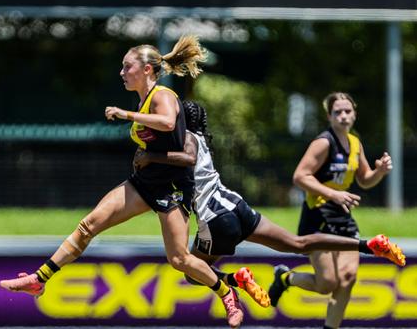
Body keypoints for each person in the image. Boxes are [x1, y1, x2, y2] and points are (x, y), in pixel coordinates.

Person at [0, 36, 250, 328]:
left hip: (172, 189)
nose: (121, 72)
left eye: (126, 66)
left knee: (179, 259)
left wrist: (126, 114)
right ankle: (39, 279)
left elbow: (168, 123)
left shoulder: (162, 95)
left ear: (146, 69)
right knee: (88, 225)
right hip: (143, 184)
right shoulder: (144, 99)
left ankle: (227, 292)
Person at [133, 100, 405, 319]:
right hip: (237, 205)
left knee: (191, 272)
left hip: (217, 221)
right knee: (298, 244)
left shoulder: (184, 141)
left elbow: (181, 162)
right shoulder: (201, 138)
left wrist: (148, 156)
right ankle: (367, 245)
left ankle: (234, 279)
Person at [267, 92, 403, 329]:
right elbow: (300, 177)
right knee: (327, 283)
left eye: (347, 111)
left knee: (348, 278)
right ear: (329, 116)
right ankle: (286, 278)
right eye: (337, 112)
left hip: (343, 217)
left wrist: (379, 171)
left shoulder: (354, 143)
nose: (343, 116)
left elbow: (364, 180)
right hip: (317, 216)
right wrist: (333, 194)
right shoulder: (323, 143)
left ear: (354, 114)